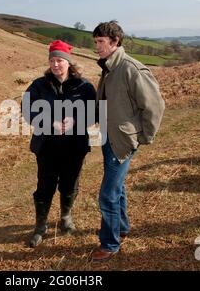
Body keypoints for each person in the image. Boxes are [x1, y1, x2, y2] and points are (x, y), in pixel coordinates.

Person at [91, 21, 165, 261]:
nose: (97, 47)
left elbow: (154, 105)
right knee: (117, 187)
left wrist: (144, 136)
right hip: (109, 137)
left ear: (115, 42)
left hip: (122, 140)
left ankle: (110, 243)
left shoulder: (130, 68)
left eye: (101, 42)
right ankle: (121, 229)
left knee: (107, 194)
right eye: (96, 42)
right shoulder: (109, 67)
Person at [23, 40, 97, 248]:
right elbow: (28, 110)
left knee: (69, 183)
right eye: (52, 60)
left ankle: (66, 217)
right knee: (44, 186)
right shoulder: (39, 86)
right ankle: (40, 226)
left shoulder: (84, 86)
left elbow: (95, 112)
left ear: (68, 62)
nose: (55, 65)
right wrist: (49, 122)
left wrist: (76, 120)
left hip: (74, 147)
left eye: (60, 60)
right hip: (46, 146)